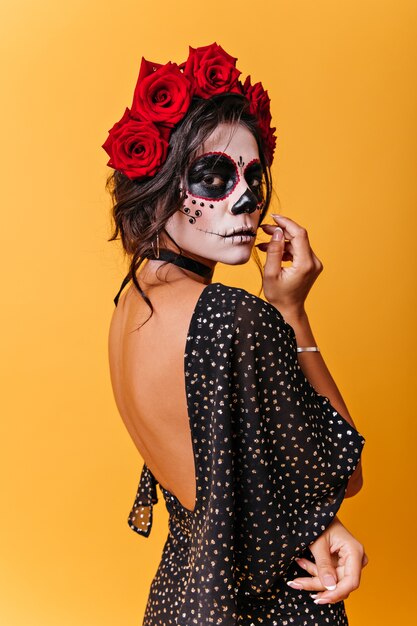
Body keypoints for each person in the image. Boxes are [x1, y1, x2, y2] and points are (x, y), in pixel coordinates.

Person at [103, 43, 367, 626]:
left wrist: (318, 523)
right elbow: (345, 476)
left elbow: (227, 482)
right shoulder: (231, 317)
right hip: (261, 604)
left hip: (183, 596)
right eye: (215, 177)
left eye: (253, 176)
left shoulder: (131, 304)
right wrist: (292, 312)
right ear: (160, 182)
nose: (245, 200)